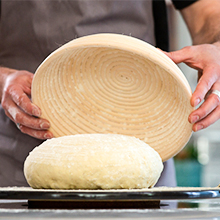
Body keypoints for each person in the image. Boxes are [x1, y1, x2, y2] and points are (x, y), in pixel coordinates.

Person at [0, 0, 220, 187]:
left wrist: (217, 49)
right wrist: (2, 80)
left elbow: (208, 13)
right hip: (17, 150)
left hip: (147, 151)